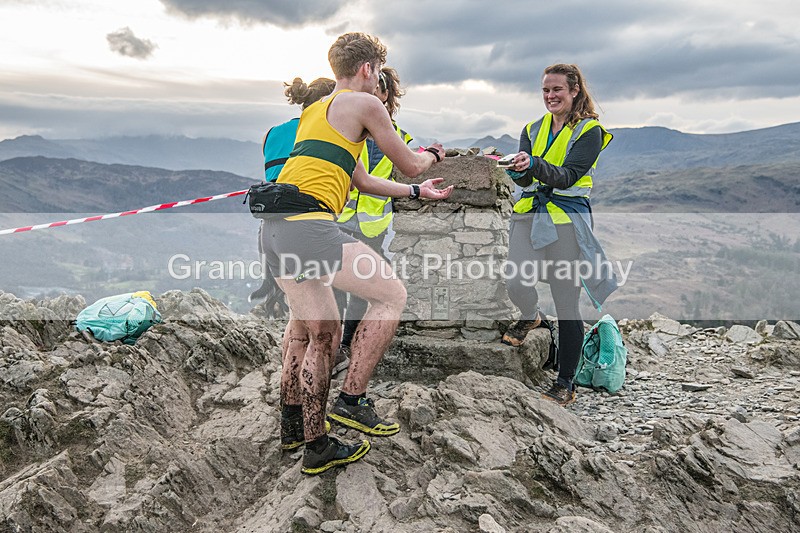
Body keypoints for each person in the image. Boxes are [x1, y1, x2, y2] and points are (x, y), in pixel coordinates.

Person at [263, 32, 452, 475]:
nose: (378, 81)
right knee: (391, 297)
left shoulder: (316, 110)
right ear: (368, 69)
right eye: (378, 72)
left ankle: (300, 432)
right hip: (310, 230)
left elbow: (361, 179)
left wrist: (414, 192)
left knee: (313, 331)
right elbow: (410, 160)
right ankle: (349, 401)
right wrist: (433, 156)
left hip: (274, 230)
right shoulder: (368, 104)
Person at [501, 63, 617, 407]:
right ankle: (532, 315)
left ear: (575, 91)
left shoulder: (589, 131)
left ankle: (565, 382)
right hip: (530, 214)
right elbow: (525, 182)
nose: (551, 96)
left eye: (558, 90)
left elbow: (567, 176)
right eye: (546, 91)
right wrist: (518, 169)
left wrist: (533, 165)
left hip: (567, 221)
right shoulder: (532, 128)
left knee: (567, 302)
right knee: (516, 280)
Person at [333, 66, 413, 376]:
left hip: (372, 226)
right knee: (335, 284)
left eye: (380, 88)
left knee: (362, 291)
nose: (372, 91)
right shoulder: (350, 126)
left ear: (386, 95)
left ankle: (348, 343)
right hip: (341, 218)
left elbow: (409, 165)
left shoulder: (400, 137)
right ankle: (334, 343)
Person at [249, 77, 336, 313]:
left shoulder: (271, 133)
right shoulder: (319, 133)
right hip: (304, 222)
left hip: (269, 227)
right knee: (317, 302)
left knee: (292, 299)